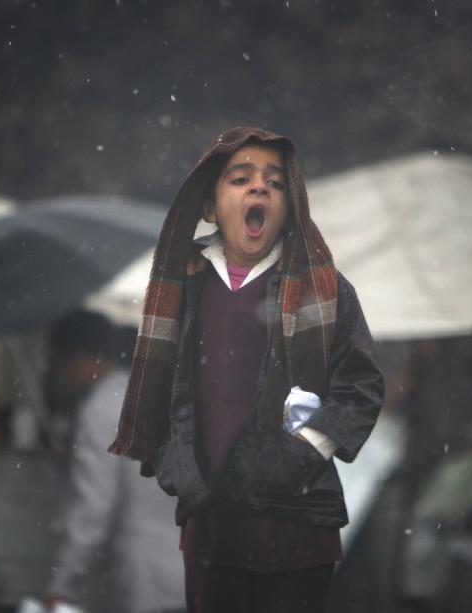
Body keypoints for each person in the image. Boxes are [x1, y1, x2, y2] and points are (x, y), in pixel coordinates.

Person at [109, 127, 384, 613]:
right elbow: (162, 395)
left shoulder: (324, 289)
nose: (259, 188)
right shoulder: (182, 289)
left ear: (290, 207)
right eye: (241, 178)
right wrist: (180, 471)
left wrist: (303, 450)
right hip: (211, 528)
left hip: (300, 525)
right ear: (211, 207)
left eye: (275, 182)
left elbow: (360, 387)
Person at [45, 310, 185, 613]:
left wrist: (63, 584)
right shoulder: (155, 395)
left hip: (143, 581)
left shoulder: (100, 409)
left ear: (75, 358)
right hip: (189, 572)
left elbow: (92, 509)